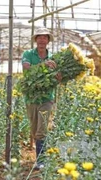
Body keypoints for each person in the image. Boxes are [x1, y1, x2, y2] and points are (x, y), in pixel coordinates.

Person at [21, 27, 61, 170]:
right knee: (34, 129)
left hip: (46, 98)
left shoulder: (54, 58)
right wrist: (43, 65)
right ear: (36, 40)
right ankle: (39, 154)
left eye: (45, 37)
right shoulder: (28, 54)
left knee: (41, 129)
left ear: (48, 41)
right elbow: (26, 68)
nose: (42, 40)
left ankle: (41, 160)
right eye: (39, 37)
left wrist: (59, 77)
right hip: (31, 97)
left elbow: (58, 78)